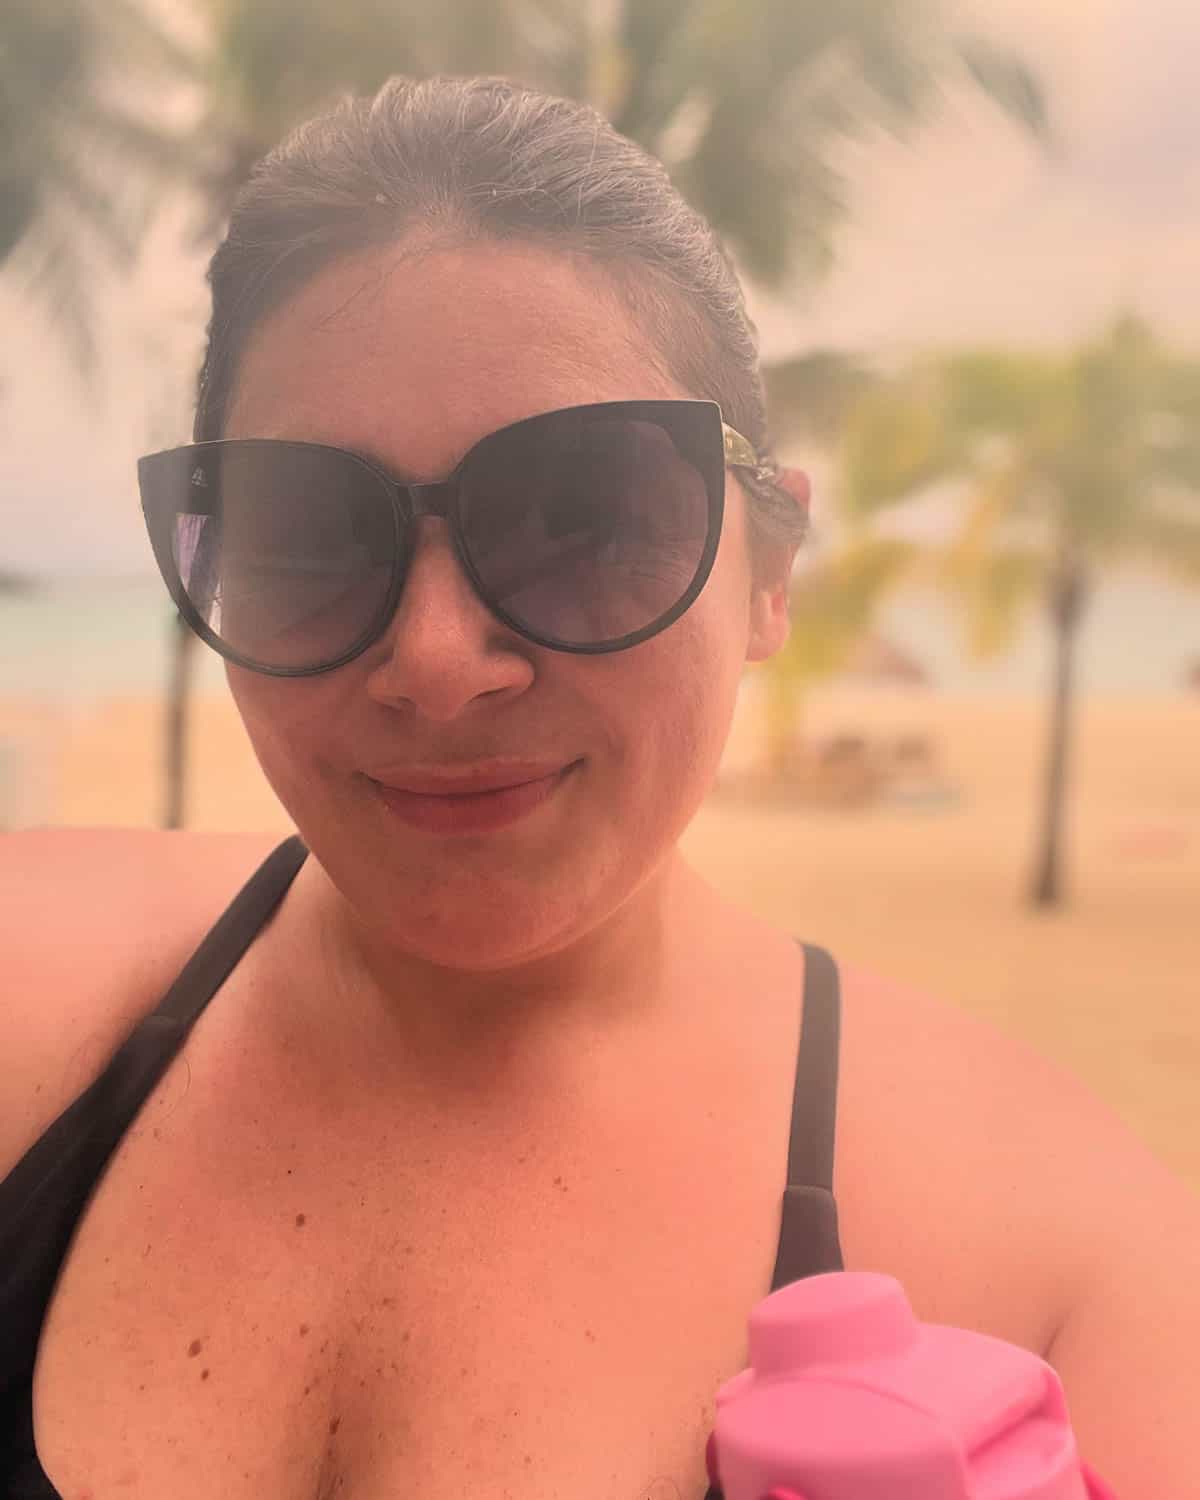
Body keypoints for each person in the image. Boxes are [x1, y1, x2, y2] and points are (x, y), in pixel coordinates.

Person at [1, 76, 1196, 1500]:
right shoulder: (31, 989)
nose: (436, 663)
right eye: (309, 532)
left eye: (584, 517)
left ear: (769, 571)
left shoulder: (1072, 1268)